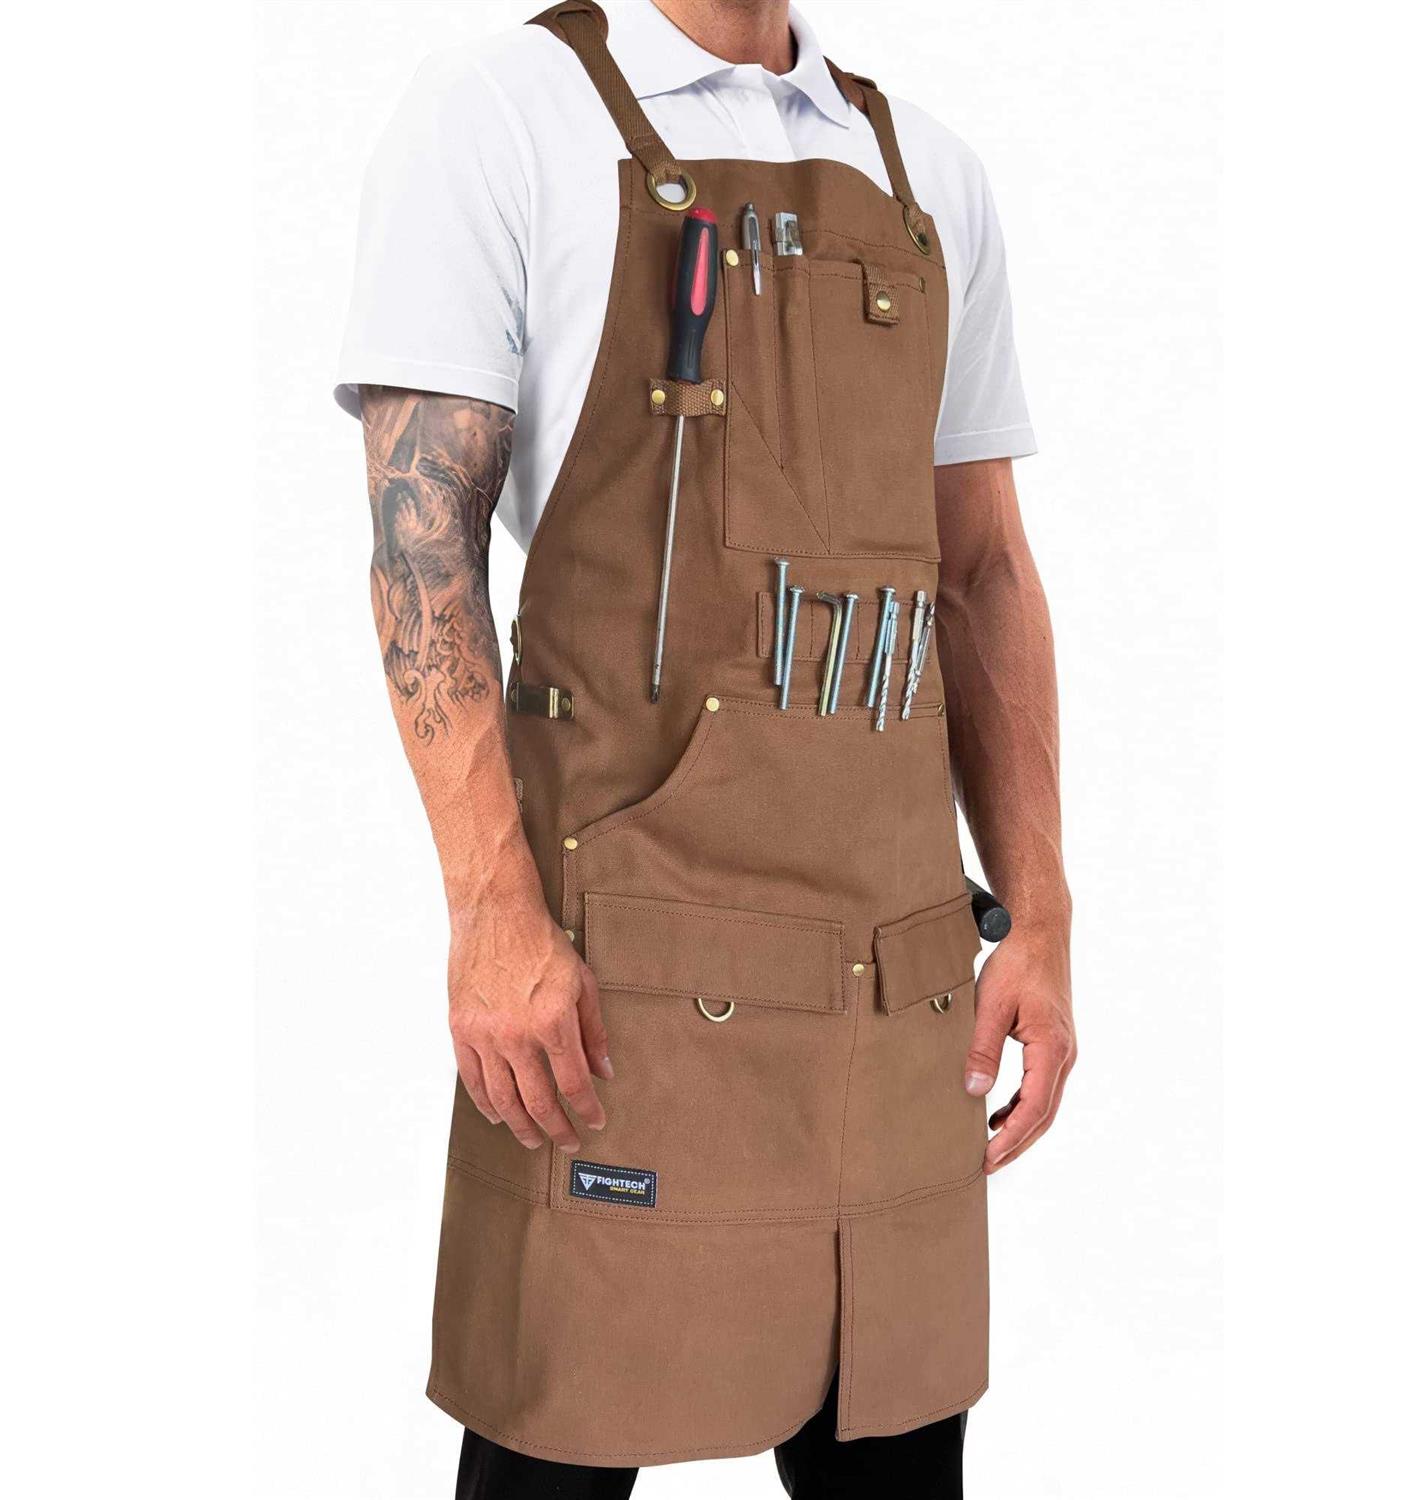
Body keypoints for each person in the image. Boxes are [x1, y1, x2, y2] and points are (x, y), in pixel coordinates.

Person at [336, 1, 1075, 1494]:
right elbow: (423, 547)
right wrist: (491, 915)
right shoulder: (503, 115)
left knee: (897, 1464)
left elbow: (982, 568)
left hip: (895, 989)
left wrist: (1043, 915)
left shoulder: (926, 173)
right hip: (626, 985)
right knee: (553, 1450)